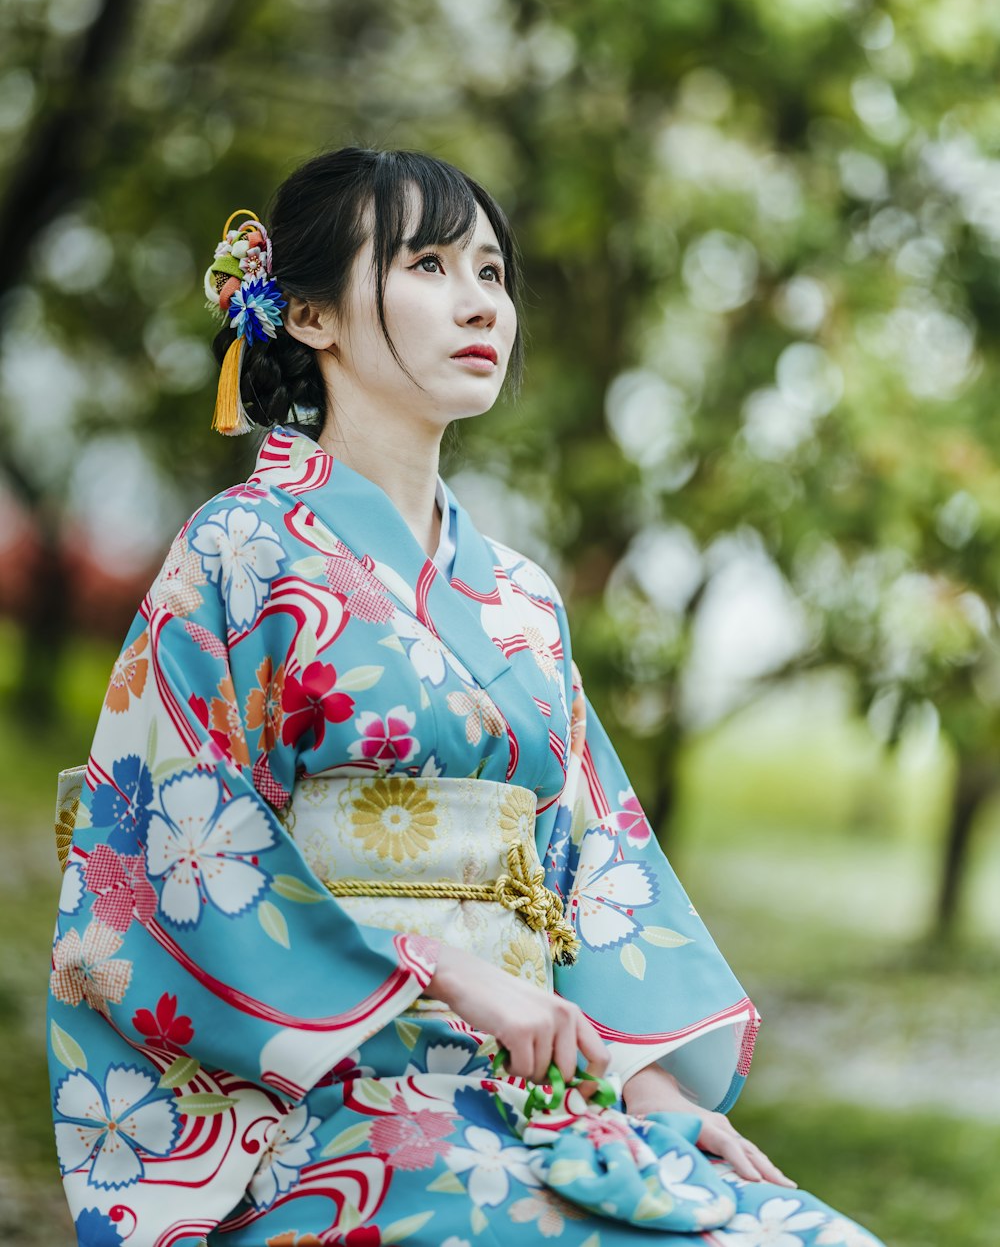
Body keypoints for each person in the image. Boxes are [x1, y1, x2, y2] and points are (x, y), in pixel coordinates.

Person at [47, 146, 883, 1246]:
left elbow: (589, 860)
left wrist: (655, 1091)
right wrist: (451, 979)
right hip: (330, 1099)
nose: (479, 301)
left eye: (491, 272)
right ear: (306, 313)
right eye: (430, 265)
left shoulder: (522, 595)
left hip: (537, 1092)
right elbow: (172, 853)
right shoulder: (240, 548)